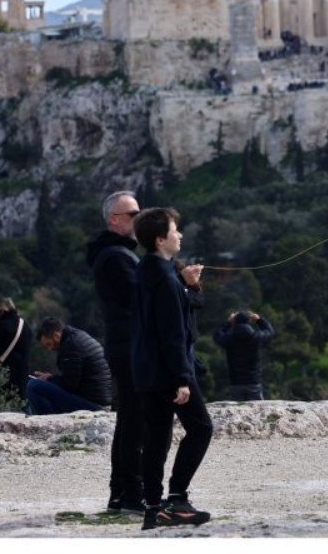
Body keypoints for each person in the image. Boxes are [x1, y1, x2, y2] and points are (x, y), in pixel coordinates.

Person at [132, 207, 213, 530]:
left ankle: (153, 509)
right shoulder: (165, 278)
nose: (179, 235)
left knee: (156, 439)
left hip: (146, 370)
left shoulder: (146, 271)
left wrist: (187, 286)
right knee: (201, 428)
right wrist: (182, 378)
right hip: (169, 372)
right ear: (160, 239)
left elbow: (166, 316)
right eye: (175, 230)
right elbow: (173, 333)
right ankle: (177, 498)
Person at [86, 189, 148, 515]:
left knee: (129, 421)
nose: (139, 218)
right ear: (114, 219)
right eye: (133, 214)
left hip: (125, 345)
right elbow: (139, 300)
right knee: (134, 422)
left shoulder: (116, 254)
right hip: (129, 347)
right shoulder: (115, 257)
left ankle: (120, 494)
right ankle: (131, 497)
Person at [26, 318, 112, 415]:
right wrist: (50, 378)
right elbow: (73, 380)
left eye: (48, 344)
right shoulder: (77, 337)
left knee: (34, 386)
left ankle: (47, 425)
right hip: (98, 402)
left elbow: (69, 385)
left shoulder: (71, 345)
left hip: (93, 406)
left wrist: (50, 380)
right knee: (38, 387)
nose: (50, 349)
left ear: (56, 335)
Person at [214, 310, 275, 401]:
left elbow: (217, 336)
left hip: (236, 382)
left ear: (235, 322)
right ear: (249, 322)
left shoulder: (229, 339)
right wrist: (259, 320)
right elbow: (269, 332)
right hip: (253, 381)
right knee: (257, 411)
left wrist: (228, 323)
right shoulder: (256, 338)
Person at [0, 297, 32, 398]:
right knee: (22, 401)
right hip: (23, 372)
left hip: (6, 372)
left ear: (2, 310)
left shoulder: (2, 326)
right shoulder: (25, 326)